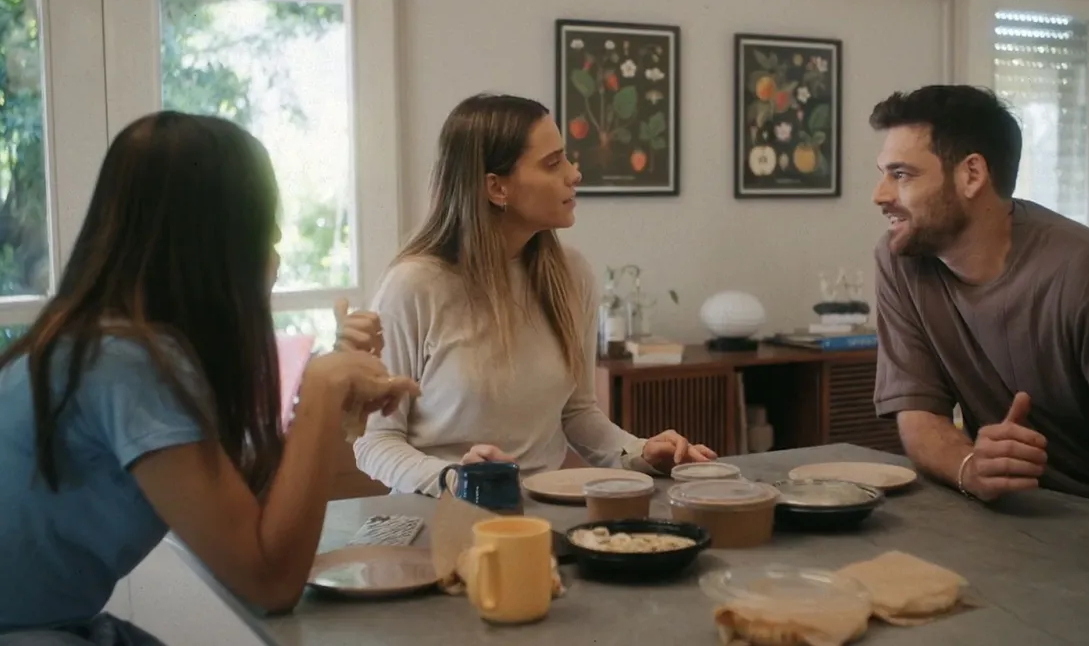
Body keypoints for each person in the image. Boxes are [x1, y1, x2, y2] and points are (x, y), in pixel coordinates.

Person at [0, 112, 419, 643]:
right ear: (216, 243)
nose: (275, 250)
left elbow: (249, 512)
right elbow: (269, 581)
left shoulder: (92, 341)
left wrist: (332, 401)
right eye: (264, 229)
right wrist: (321, 387)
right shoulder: (126, 363)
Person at [344, 93, 717, 496]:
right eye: (553, 163)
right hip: (440, 516)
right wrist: (457, 479)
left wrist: (640, 452)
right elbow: (375, 442)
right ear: (496, 187)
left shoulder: (572, 274)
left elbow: (578, 414)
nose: (574, 174)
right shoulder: (412, 286)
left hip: (540, 515)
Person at [868, 84, 1089, 518]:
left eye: (901, 175)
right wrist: (970, 468)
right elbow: (919, 416)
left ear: (972, 175)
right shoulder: (901, 261)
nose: (880, 194)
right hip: (1001, 515)